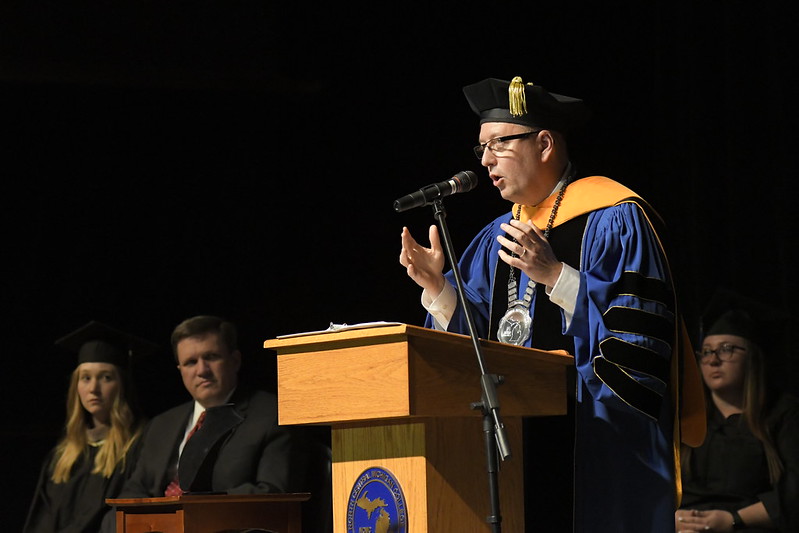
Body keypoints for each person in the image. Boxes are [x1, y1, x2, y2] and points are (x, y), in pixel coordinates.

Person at [399, 75, 705, 532]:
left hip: (599, 446)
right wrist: (439, 289)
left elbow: (639, 344)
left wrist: (556, 275)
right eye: (481, 148)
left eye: (499, 144)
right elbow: (476, 351)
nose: (485, 161)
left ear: (544, 144)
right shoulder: (492, 240)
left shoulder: (617, 218)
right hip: (514, 452)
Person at [104, 315, 293, 521]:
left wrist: (191, 511)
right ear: (180, 370)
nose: (202, 370)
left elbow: (273, 492)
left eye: (211, 357)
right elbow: (134, 491)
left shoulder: (272, 414)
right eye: (190, 362)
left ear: (235, 360)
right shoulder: (161, 424)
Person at [676, 294, 799, 532]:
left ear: (752, 358)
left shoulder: (783, 414)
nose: (713, 360)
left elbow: (794, 491)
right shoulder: (685, 417)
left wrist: (732, 520)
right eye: (706, 351)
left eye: (726, 349)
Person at [24, 320, 154, 533]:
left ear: (122, 385)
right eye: (85, 378)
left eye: (106, 377)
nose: (93, 388)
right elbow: (41, 518)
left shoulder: (138, 447)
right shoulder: (63, 455)